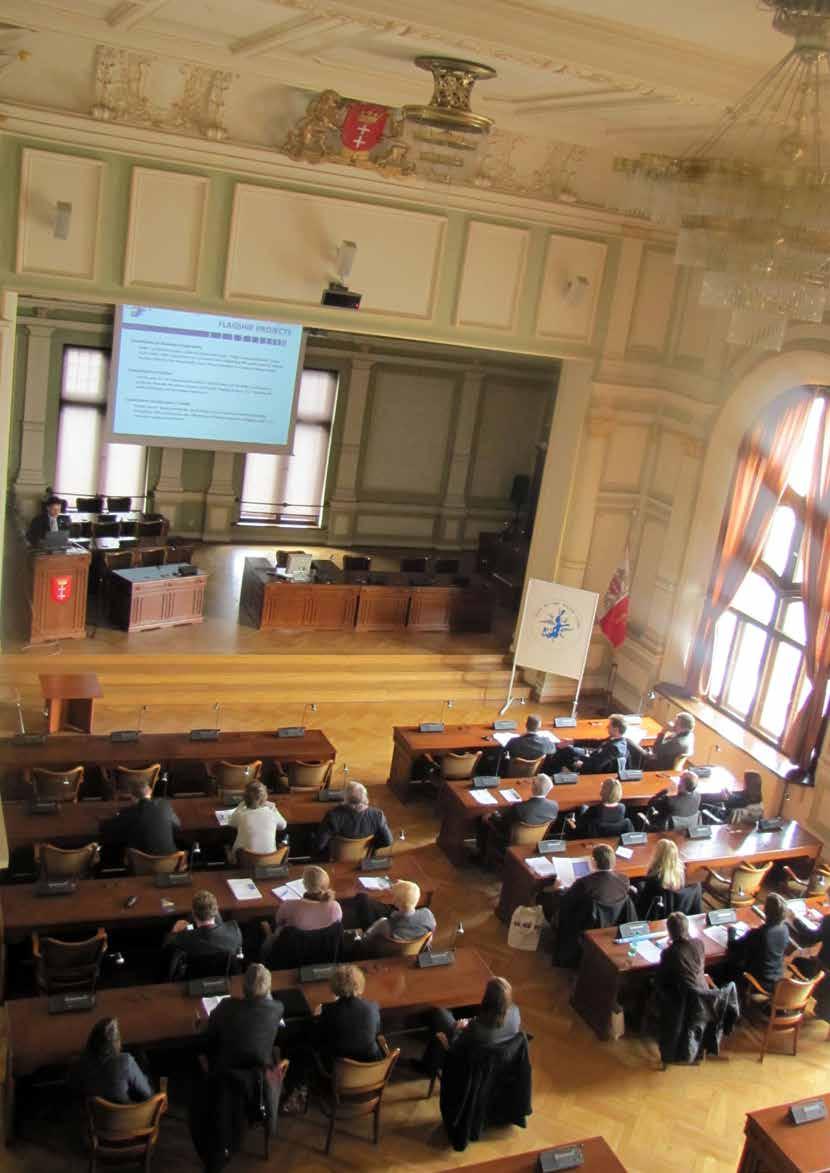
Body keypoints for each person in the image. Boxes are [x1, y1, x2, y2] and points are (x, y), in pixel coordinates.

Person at [421, 976, 521, 1072]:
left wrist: (458, 1028)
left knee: (440, 1013)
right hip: (497, 1064)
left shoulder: (477, 1028)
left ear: (487, 999)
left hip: (467, 1065)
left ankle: (427, 1066)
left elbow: (455, 1046)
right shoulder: (515, 1013)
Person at [200, 963, 284, 1073]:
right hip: (259, 1071)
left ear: (243, 987)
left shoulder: (226, 1006)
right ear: (269, 989)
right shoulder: (278, 1008)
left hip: (225, 1070)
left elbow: (210, 1034)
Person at [71, 1017, 153, 1103]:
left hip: (95, 1110)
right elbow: (148, 1094)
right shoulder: (126, 1061)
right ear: (116, 1042)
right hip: (131, 1110)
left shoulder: (79, 1063)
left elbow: (73, 1089)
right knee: (141, 1058)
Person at [163, 889, 242, 977]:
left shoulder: (183, 939)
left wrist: (174, 931)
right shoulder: (234, 931)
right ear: (216, 911)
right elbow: (239, 956)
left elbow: (167, 948)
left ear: (193, 913)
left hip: (192, 979)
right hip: (223, 978)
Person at [316, 964, 382, 1062]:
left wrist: (317, 1016)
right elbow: (377, 1031)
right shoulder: (373, 1007)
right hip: (372, 1064)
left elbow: (320, 1037)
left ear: (334, 986)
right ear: (360, 984)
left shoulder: (327, 1010)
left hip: (339, 1065)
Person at [99, 776, 181, 856]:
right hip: (171, 861)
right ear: (150, 792)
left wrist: (115, 818)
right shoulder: (165, 805)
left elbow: (106, 829)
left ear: (132, 797)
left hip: (140, 863)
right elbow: (177, 826)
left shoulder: (131, 811)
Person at [728, 891, 790, 992]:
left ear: (765, 911)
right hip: (777, 978)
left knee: (728, 964)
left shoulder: (759, 933)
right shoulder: (785, 929)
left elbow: (733, 947)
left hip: (759, 981)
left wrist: (731, 931)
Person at [316, 780, 393, 856]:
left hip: (336, 856)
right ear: (365, 797)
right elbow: (388, 841)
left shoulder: (332, 816)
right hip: (363, 858)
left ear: (346, 799)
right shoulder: (378, 815)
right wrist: (371, 845)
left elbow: (319, 845)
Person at [637, 839, 701, 918]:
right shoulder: (682, 871)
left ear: (658, 856)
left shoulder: (654, 879)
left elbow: (644, 905)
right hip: (680, 914)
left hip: (660, 916)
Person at [548, 715, 630, 775]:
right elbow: (596, 743)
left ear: (616, 729)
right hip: (592, 757)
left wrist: (579, 763)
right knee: (568, 748)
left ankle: (549, 774)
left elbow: (596, 766)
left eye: (609, 726)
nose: (607, 727)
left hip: (590, 768)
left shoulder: (615, 748)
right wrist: (572, 741)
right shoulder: (617, 739)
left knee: (563, 753)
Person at [271, 865, 342, 934]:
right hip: (325, 942)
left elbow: (278, 921)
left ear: (304, 884)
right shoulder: (335, 907)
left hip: (296, 941)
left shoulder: (289, 905)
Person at [362, 879, 436, 945]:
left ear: (395, 902)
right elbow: (431, 933)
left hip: (383, 953)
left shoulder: (384, 924)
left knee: (363, 898)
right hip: (415, 952)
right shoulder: (427, 914)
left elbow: (365, 939)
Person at [228, 780, 286, 862]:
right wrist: (273, 808)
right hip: (270, 862)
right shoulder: (272, 813)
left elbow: (231, 823)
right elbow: (283, 825)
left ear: (244, 798)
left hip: (243, 862)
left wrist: (240, 805)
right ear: (265, 798)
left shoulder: (241, 814)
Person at [567, 842, 632, 906]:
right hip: (616, 913)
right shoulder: (625, 880)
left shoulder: (583, 883)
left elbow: (567, 901)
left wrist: (561, 889)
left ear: (594, 861)